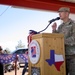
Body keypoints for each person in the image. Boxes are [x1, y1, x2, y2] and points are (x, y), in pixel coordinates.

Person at [52, 7, 75, 75]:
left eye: (61, 12)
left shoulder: (73, 25)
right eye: (59, 12)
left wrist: (61, 41)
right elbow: (56, 38)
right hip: (61, 55)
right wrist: (54, 30)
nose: (59, 14)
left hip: (72, 55)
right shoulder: (60, 27)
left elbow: (74, 39)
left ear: (67, 13)